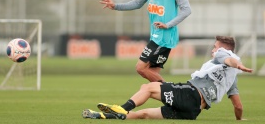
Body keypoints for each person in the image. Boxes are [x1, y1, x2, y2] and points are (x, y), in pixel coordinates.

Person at [82, 36, 253, 120]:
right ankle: (101, 116)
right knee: (144, 114)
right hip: (193, 112)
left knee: (146, 88)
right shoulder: (232, 79)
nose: (213, 50)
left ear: (223, 48)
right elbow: (237, 105)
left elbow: (227, 59)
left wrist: (237, 64)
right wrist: (239, 120)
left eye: (215, 47)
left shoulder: (223, 55)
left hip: (190, 94)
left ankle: (121, 108)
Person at [99, 0, 191, 82]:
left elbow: (186, 9)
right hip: (155, 35)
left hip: (164, 38)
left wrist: (168, 24)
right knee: (153, 79)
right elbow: (137, 3)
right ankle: (170, 99)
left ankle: (174, 93)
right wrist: (115, 6)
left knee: (140, 68)